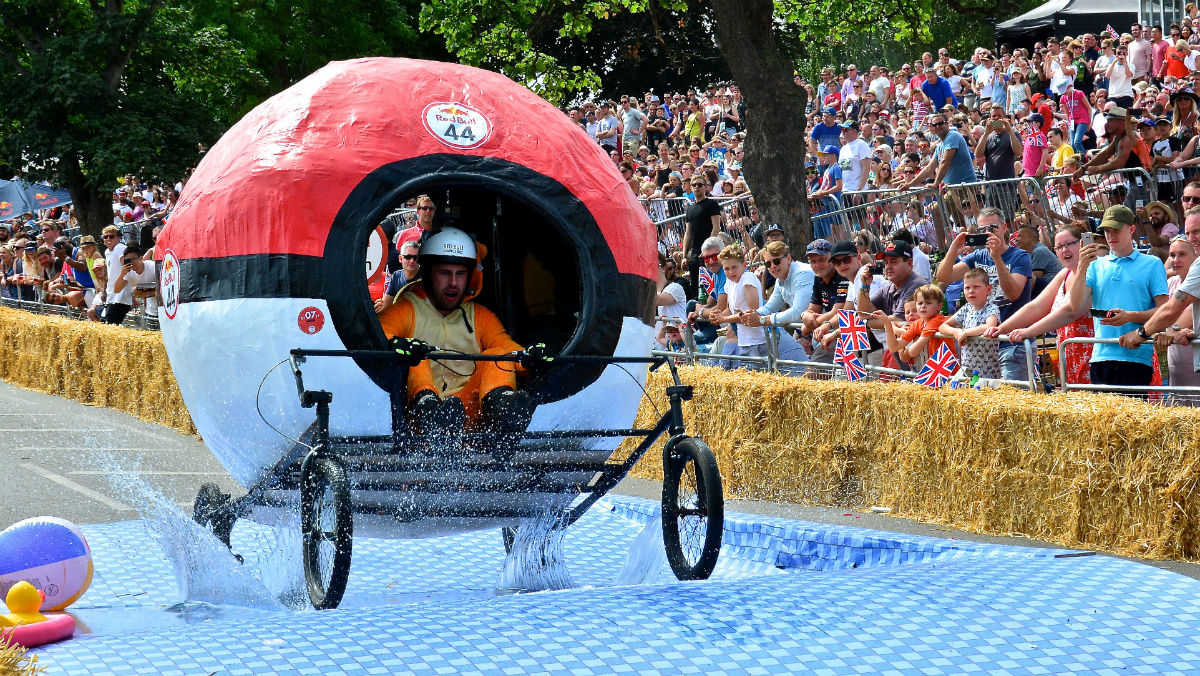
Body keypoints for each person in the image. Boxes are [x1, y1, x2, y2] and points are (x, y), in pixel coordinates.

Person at [378, 227, 534, 439]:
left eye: (460, 274)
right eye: (444, 273)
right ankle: (430, 411)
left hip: (472, 421)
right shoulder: (405, 309)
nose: (453, 283)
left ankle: (504, 410)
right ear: (429, 273)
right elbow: (380, 337)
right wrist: (398, 346)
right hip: (421, 429)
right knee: (417, 355)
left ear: (470, 276)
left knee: (496, 354)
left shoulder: (481, 316)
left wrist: (530, 359)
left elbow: (508, 348)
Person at [1067, 205, 1169, 386]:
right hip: (1101, 356)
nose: (1110, 236)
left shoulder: (1152, 264)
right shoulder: (1095, 265)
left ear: (1131, 229)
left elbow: (1165, 310)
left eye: (1116, 230)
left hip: (1136, 356)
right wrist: (1082, 266)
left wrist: (1130, 317)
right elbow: (1075, 305)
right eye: (1107, 230)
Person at [936, 206, 1033, 382]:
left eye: (992, 228)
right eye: (982, 230)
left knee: (1011, 400)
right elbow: (943, 276)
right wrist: (953, 251)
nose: (988, 233)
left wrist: (996, 257)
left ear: (1004, 228)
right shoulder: (978, 256)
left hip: (1011, 341)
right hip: (982, 348)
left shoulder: (1020, 256)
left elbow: (1013, 294)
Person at [1120, 213, 1200, 390]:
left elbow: (1173, 309)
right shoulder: (1174, 281)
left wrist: (1141, 333)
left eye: (1197, 232)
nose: (1192, 238)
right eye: (1188, 233)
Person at [710, 244, 766, 369]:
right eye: (726, 268)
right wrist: (717, 316)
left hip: (757, 341)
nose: (730, 272)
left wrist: (724, 319)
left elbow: (751, 313)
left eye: (734, 267)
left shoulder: (748, 278)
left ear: (744, 265)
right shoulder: (729, 283)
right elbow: (729, 310)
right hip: (744, 341)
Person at [939, 268, 1002, 378]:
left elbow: (990, 326)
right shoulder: (966, 309)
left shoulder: (992, 308)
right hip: (967, 367)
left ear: (988, 289)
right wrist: (956, 332)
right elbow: (942, 326)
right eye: (967, 288)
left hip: (988, 370)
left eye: (976, 287)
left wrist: (966, 333)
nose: (971, 291)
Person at [881, 284, 954, 367]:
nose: (923, 306)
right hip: (932, 370)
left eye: (928, 303)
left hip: (947, 370)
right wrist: (887, 324)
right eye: (920, 303)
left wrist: (914, 338)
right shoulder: (917, 324)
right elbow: (894, 347)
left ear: (939, 306)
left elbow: (912, 352)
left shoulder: (937, 320)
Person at [900, 113, 976, 189]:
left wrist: (936, 183)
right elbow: (929, 168)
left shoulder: (953, 135)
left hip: (965, 187)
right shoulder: (940, 146)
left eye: (940, 124)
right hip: (952, 188)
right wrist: (910, 184)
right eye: (934, 125)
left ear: (947, 124)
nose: (937, 127)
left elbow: (946, 161)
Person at [682, 177, 723, 299]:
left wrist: (707, 251)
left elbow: (716, 227)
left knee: (711, 286)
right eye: (694, 184)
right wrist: (684, 256)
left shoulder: (711, 204)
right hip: (694, 254)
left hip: (709, 254)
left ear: (705, 186)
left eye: (700, 184)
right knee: (696, 288)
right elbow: (688, 233)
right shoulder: (690, 208)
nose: (696, 187)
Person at [108, 243, 156, 324]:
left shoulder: (152, 267)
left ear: (141, 258)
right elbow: (116, 290)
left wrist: (144, 292)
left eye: (133, 259)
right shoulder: (129, 272)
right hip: (151, 310)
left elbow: (162, 288)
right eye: (128, 260)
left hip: (162, 309)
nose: (131, 262)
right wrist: (122, 274)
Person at [375, 239, 422, 314]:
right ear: (400, 259)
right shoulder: (396, 276)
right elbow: (386, 304)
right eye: (408, 257)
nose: (412, 261)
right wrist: (380, 305)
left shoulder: (427, 278)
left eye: (415, 257)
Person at [837, 120, 872, 192]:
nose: (843, 131)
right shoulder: (843, 149)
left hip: (857, 190)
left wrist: (859, 189)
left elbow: (866, 168)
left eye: (845, 129)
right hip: (845, 190)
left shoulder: (861, 144)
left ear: (854, 131)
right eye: (842, 129)